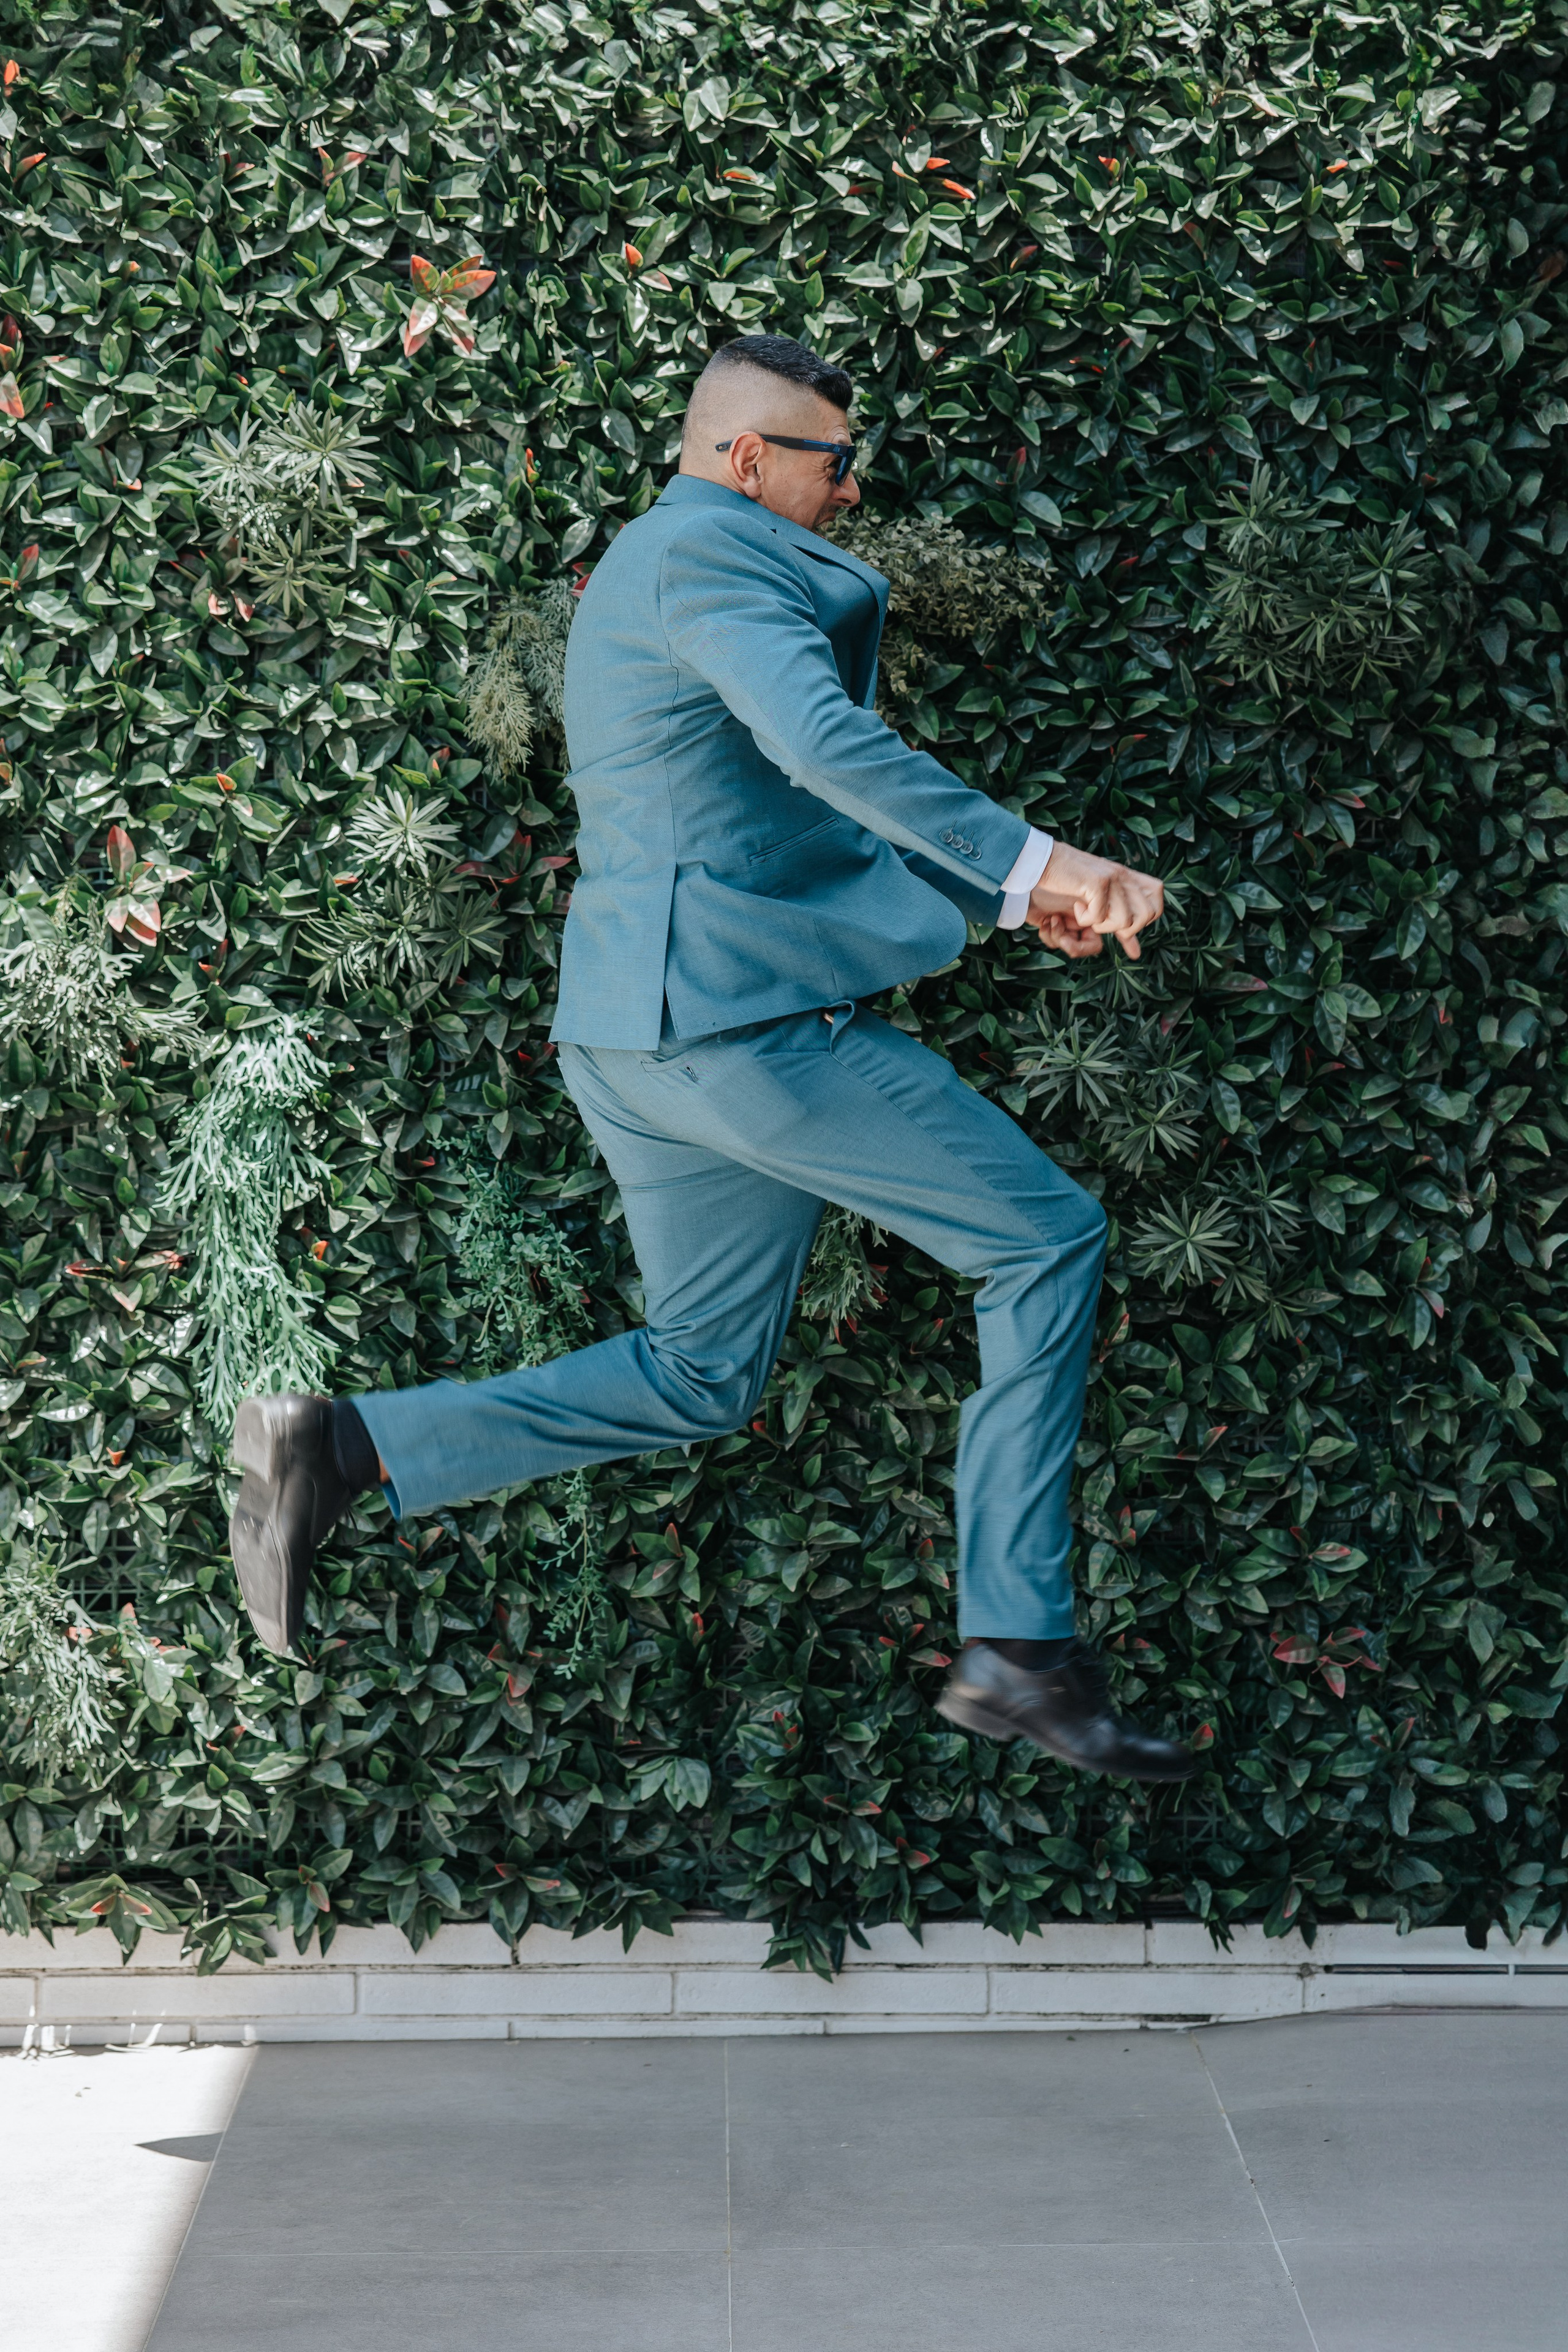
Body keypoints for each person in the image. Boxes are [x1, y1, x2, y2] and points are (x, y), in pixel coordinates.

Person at [230, 333, 1194, 1783]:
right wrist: (1045, 861)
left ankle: (343, 1447)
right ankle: (1019, 1648)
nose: (847, 494)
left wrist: (1004, 900)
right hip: (735, 1031)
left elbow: (747, 822)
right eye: (833, 465)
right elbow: (818, 746)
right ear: (749, 460)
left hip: (636, 1033)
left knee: (698, 1372)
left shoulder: (653, 564)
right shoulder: (711, 561)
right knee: (1046, 1241)